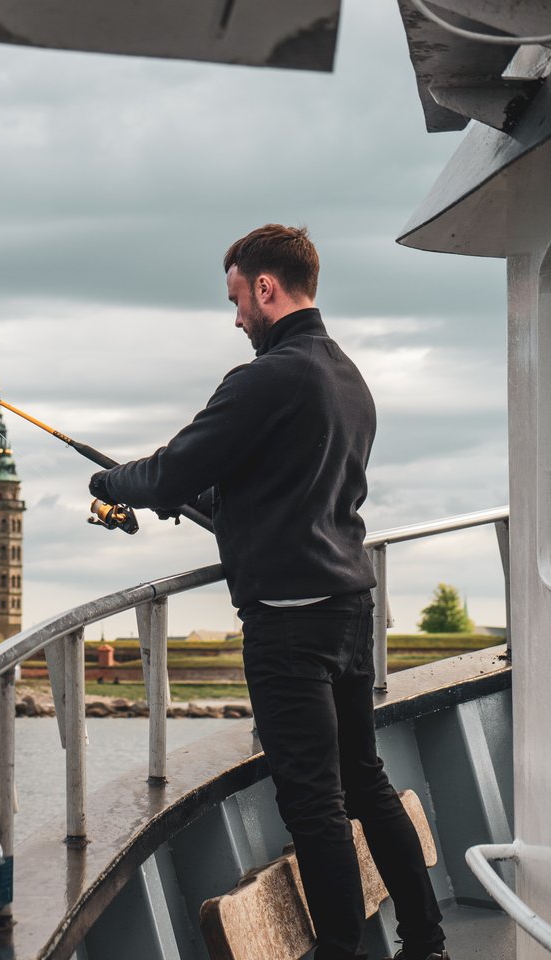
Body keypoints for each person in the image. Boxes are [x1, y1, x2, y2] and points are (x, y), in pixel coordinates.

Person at [88, 224, 446, 960]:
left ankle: (341, 951)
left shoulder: (265, 378)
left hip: (289, 624)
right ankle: (427, 942)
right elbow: (284, 488)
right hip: (349, 606)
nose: (237, 317)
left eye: (237, 299)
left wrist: (109, 480)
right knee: (364, 781)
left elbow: (170, 471)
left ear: (265, 287)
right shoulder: (347, 378)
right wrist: (206, 499)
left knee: (315, 803)